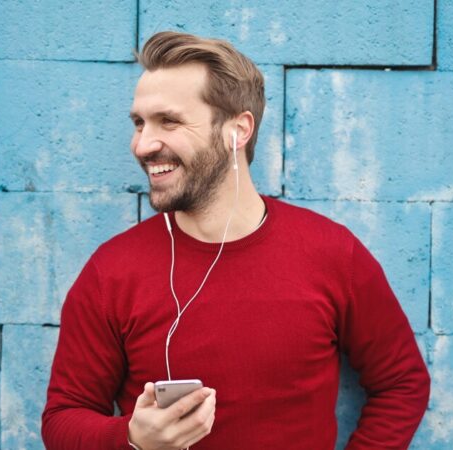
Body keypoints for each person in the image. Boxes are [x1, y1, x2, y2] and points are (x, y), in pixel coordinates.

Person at [41, 31, 430, 450]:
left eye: (168, 121)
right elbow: (64, 418)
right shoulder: (112, 272)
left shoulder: (332, 254)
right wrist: (132, 438)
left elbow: (402, 383)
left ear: (237, 130)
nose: (143, 145)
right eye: (139, 123)